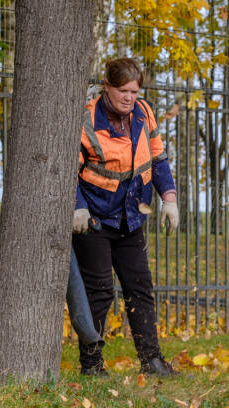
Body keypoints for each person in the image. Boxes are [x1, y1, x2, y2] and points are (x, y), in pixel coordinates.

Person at [72, 57, 178, 377]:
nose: (129, 97)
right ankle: (91, 364)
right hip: (94, 220)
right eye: (123, 90)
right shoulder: (87, 119)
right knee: (100, 291)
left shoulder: (143, 113)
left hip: (130, 219)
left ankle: (152, 361)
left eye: (134, 91)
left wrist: (169, 199)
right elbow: (67, 171)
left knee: (140, 288)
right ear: (107, 86)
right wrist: (76, 206)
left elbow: (157, 159)